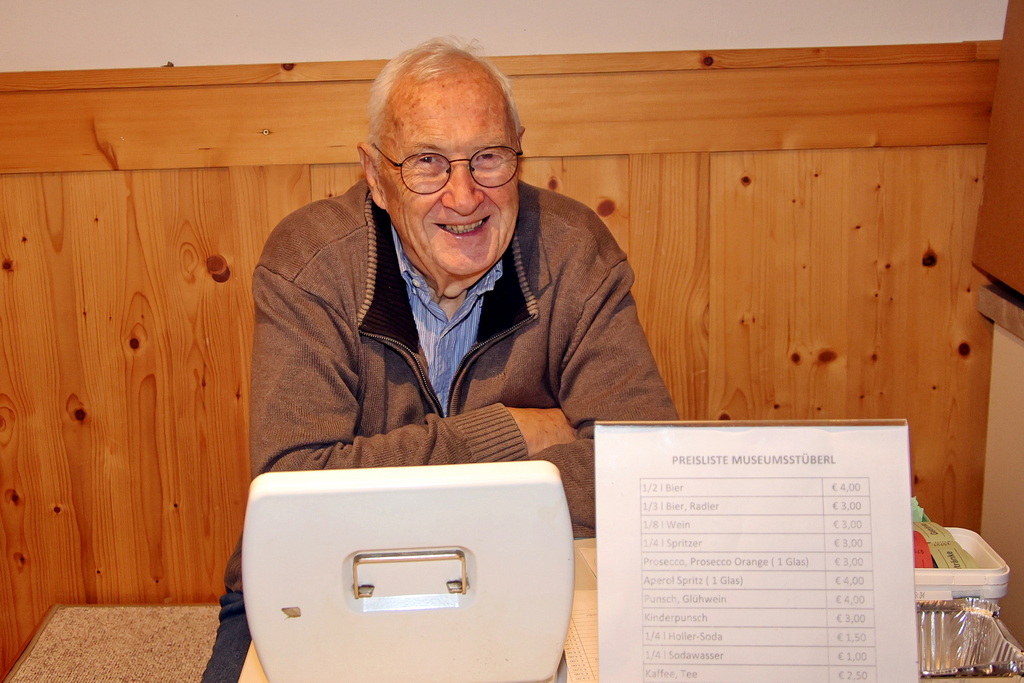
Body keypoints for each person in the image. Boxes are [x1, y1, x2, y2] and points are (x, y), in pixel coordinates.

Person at [202, 37, 678, 680]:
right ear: (376, 176)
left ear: (518, 154)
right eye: (427, 162)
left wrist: (389, 485)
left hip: (530, 571)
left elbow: (641, 469)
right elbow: (294, 488)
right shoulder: (310, 262)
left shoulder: (575, 251)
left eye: (488, 158)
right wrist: (510, 433)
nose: (463, 196)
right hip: (327, 581)